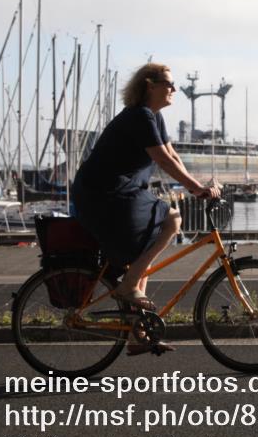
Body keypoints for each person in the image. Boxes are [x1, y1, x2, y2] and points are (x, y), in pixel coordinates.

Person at [71, 63, 220, 354]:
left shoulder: (153, 117)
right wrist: (195, 189)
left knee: (146, 252)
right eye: (169, 83)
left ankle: (137, 333)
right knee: (173, 218)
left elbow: (172, 156)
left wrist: (198, 184)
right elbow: (162, 162)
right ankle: (128, 287)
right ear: (149, 85)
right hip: (103, 193)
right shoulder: (139, 116)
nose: (174, 89)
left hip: (121, 192)